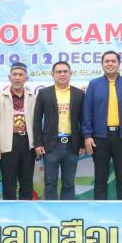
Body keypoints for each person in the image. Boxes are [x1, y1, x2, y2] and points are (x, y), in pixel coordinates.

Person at [82, 51, 122, 200]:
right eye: (107, 61)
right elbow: (87, 111)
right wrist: (87, 135)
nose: (110, 64)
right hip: (100, 138)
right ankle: (100, 210)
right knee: (100, 178)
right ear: (102, 64)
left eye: (113, 61)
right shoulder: (94, 84)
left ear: (119, 64)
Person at [33, 61, 84, 200]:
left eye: (65, 71)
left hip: (72, 145)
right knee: (50, 182)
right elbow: (37, 120)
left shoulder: (79, 94)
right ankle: (51, 211)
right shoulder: (44, 93)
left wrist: (81, 143)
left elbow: (83, 120)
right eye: (59, 71)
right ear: (52, 74)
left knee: (69, 183)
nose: (62, 74)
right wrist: (38, 143)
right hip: (50, 145)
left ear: (70, 73)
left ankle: (66, 211)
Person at [0, 62, 36, 200]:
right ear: (9, 77)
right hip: (7, 143)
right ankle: (9, 211)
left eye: (21, 75)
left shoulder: (32, 97)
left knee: (26, 183)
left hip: (27, 143)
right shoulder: (0, 97)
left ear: (26, 78)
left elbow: (37, 123)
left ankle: (25, 211)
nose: (17, 78)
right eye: (14, 74)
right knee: (8, 183)